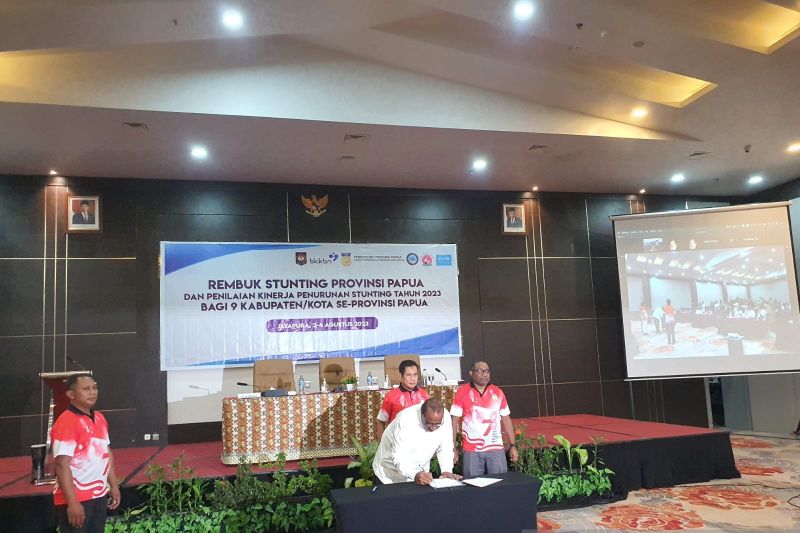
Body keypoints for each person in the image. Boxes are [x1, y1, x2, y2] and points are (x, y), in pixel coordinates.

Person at [52, 373, 120, 532]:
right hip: (76, 499)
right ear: (71, 394)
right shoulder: (66, 422)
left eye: (94, 387)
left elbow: (106, 453)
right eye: (86, 389)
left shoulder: (100, 418)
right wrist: (72, 503)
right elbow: (61, 465)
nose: (92, 392)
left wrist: (113, 485)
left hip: (99, 495)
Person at [451, 361, 517, 477]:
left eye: (487, 371)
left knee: (499, 483)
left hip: (495, 447)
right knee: (472, 484)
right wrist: (453, 448)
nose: (485, 374)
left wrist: (513, 445)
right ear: (471, 373)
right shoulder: (462, 392)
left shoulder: (498, 392)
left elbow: (506, 419)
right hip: (471, 449)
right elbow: (454, 421)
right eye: (480, 371)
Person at [372, 398, 461, 485]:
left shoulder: (445, 417)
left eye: (437, 425)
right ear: (421, 414)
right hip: (389, 474)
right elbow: (399, 458)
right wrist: (414, 474)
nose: (433, 428)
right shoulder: (405, 420)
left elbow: (445, 446)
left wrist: (446, 470)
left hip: (420, 474)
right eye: (428, 424)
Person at [375, 359, 429, 441]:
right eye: (408, 375)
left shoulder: (424, 395)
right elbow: (381, 421)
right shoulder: (391, 396)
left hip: (419, 441)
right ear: (402, 376)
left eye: (415, 375)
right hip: (396, 441)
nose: (412, 379)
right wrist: (382, 443)